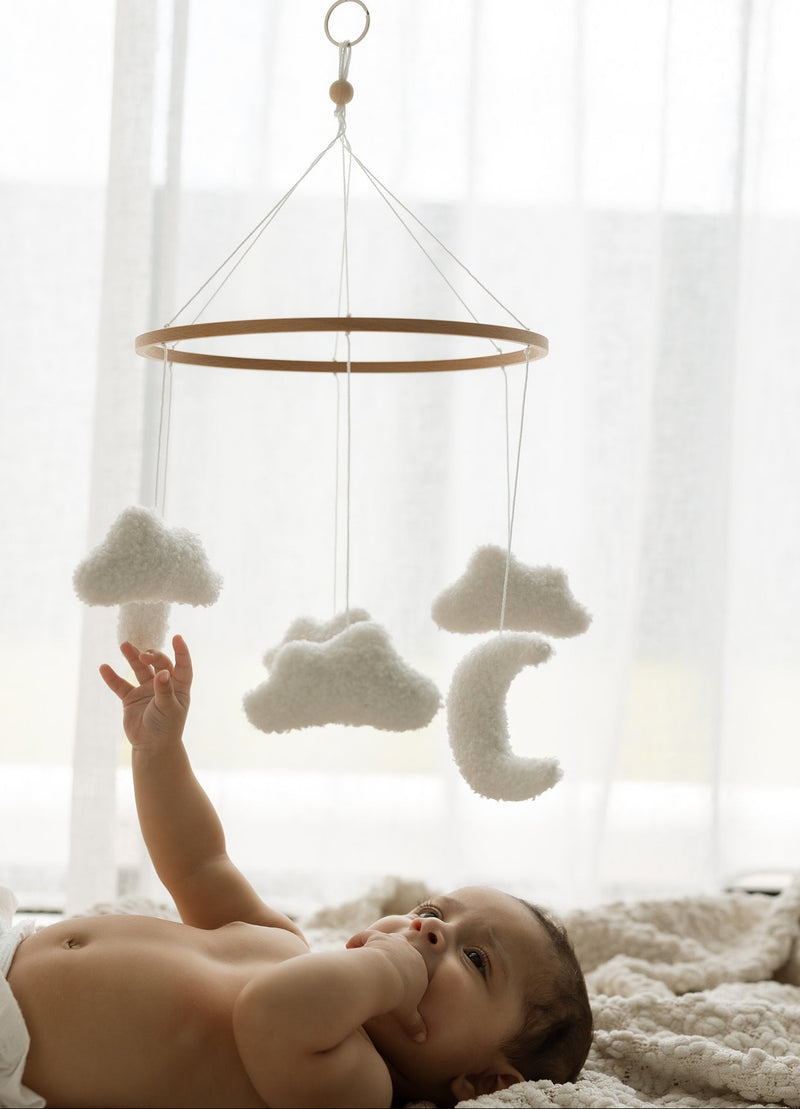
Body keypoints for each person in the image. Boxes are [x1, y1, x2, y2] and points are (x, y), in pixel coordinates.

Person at [3, 636, 592, 1109]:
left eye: (476, 959)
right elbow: (199, 864)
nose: (430, 931)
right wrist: (159, 755)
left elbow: (268, 1015)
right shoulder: (286, 942)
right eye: (432, 913)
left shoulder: (356, 1082)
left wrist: (385, 968)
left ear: (486, 1085)